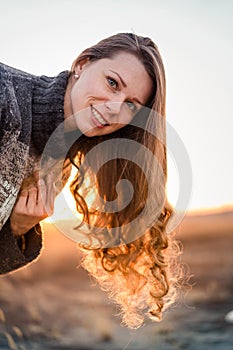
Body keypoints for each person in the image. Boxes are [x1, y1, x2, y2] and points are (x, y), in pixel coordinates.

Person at [0, 33, 181, 328]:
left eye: (131, 105)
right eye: (112, 83)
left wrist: (16, 230)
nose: (114, 107)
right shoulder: (5, 93)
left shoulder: (60, 165)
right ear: (82, 64)